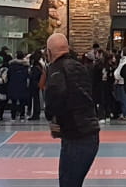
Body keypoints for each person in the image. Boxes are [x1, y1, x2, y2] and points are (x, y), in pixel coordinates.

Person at [45, 34, 100, 187]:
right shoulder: (79, 66)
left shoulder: (56, 69)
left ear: (49, 52)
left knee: (68, 182)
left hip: (75, 134)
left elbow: (56, 96)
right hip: (90, 131)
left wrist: (51, 116)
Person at [6, 55, 32, 120]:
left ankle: (13, 115)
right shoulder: (25, 67)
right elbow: (28, 77)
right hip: (22, 85)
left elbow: (8, 76)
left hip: (13, 85)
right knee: (22, 101)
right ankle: (22, 115)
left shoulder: (11, 67)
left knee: (13, 101)